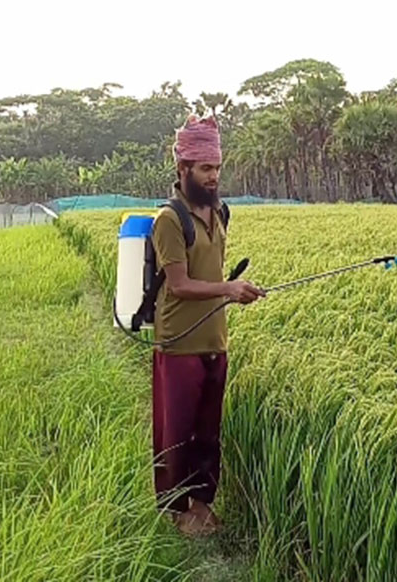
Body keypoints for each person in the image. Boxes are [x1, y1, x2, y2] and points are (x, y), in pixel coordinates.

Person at [150, 114, 265, 537]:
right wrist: (229, 289)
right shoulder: (169, 219)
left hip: (215, 338)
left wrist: (235, 291)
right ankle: (178, 512)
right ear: (184, 169)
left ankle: (202, 504)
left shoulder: (221, 213)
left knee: (207, 433)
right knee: (177, 433)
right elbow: (179, 285)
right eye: (205, 169)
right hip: (179, 343)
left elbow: (212, 277)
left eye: (217, 168)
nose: (214, 176)